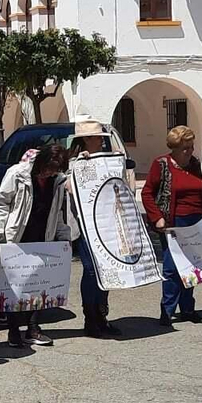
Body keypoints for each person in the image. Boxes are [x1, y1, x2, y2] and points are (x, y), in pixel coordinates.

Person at [0, 142, 73, 347]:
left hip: (43, 236)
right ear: (42, 161)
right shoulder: (17, 173)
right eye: (49, 168)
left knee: (39, 284)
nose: (50, 173)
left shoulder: (57, 181)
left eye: (55, 170)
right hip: (18, 236)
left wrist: (63, 236)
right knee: (15, 285)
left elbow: (58, 211)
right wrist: (0, 234)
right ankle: (13, 331)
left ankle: (33, 328)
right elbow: (1, 204)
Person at [141, 126, 202, 327]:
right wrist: (157, 217)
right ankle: (167, 310)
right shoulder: (162, 164)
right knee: (172, 268)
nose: (189, 151)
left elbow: (199, 187)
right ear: (174, 148)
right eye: (185, 148)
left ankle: (188, 308)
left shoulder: (194, 164)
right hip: (173, 222)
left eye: (191, 147)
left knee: (192, 265)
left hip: (196, 221)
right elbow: (147, 192)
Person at [67, 118, 118, 338]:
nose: (101, 142)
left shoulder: (103, 159)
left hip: (103, 223)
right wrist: (81, 165)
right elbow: (69, 187)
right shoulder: (73, 163)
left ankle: (101, 315)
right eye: (98, 138)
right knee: (90, 270)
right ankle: (91, 318)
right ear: (87, 140)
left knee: (104, 269)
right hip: (84, 225)